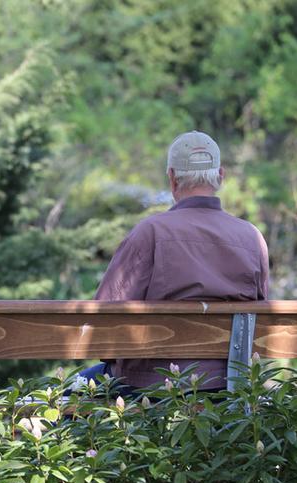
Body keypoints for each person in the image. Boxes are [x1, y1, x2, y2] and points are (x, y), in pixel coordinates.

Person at [78, 130, 269, 393]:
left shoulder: (150, 233)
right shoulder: (252, 238)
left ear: (172, 178)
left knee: (61, 395)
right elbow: (260, 320)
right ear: (220, 176)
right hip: (226, 387)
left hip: (149, 386)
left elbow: (102, 320)